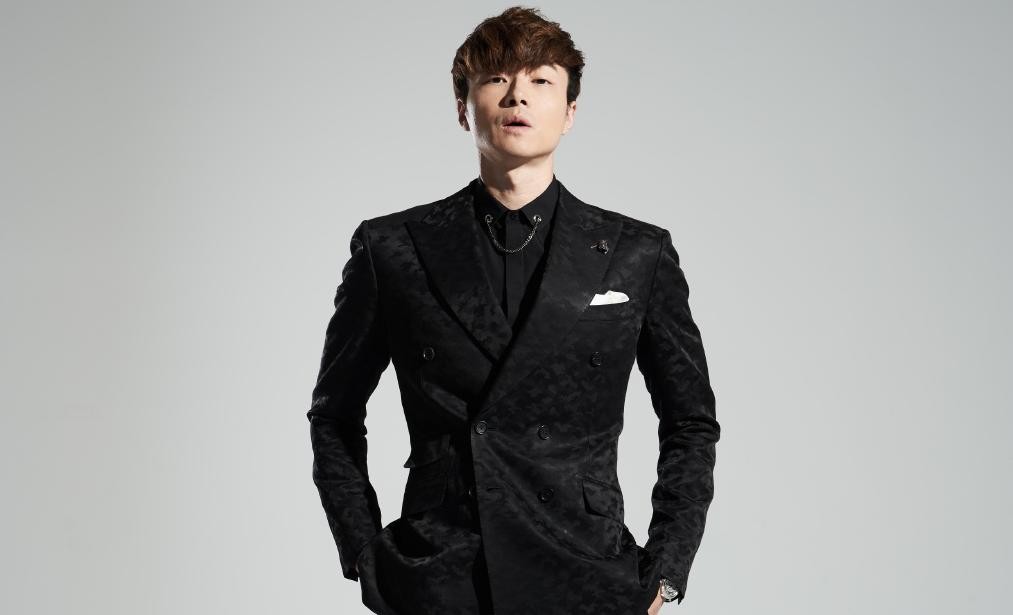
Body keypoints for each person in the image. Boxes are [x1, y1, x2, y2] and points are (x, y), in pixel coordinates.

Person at [307, 6, 719, 614]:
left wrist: (665, 572)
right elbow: (334, 415)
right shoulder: (393, 248)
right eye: (496, 78)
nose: (517, 95)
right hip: (443, 577)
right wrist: (367, 557)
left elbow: (691, 422)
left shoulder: (635, 252)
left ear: (571, 111)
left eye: (541, 80)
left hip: (588, 576)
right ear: (463, 107)